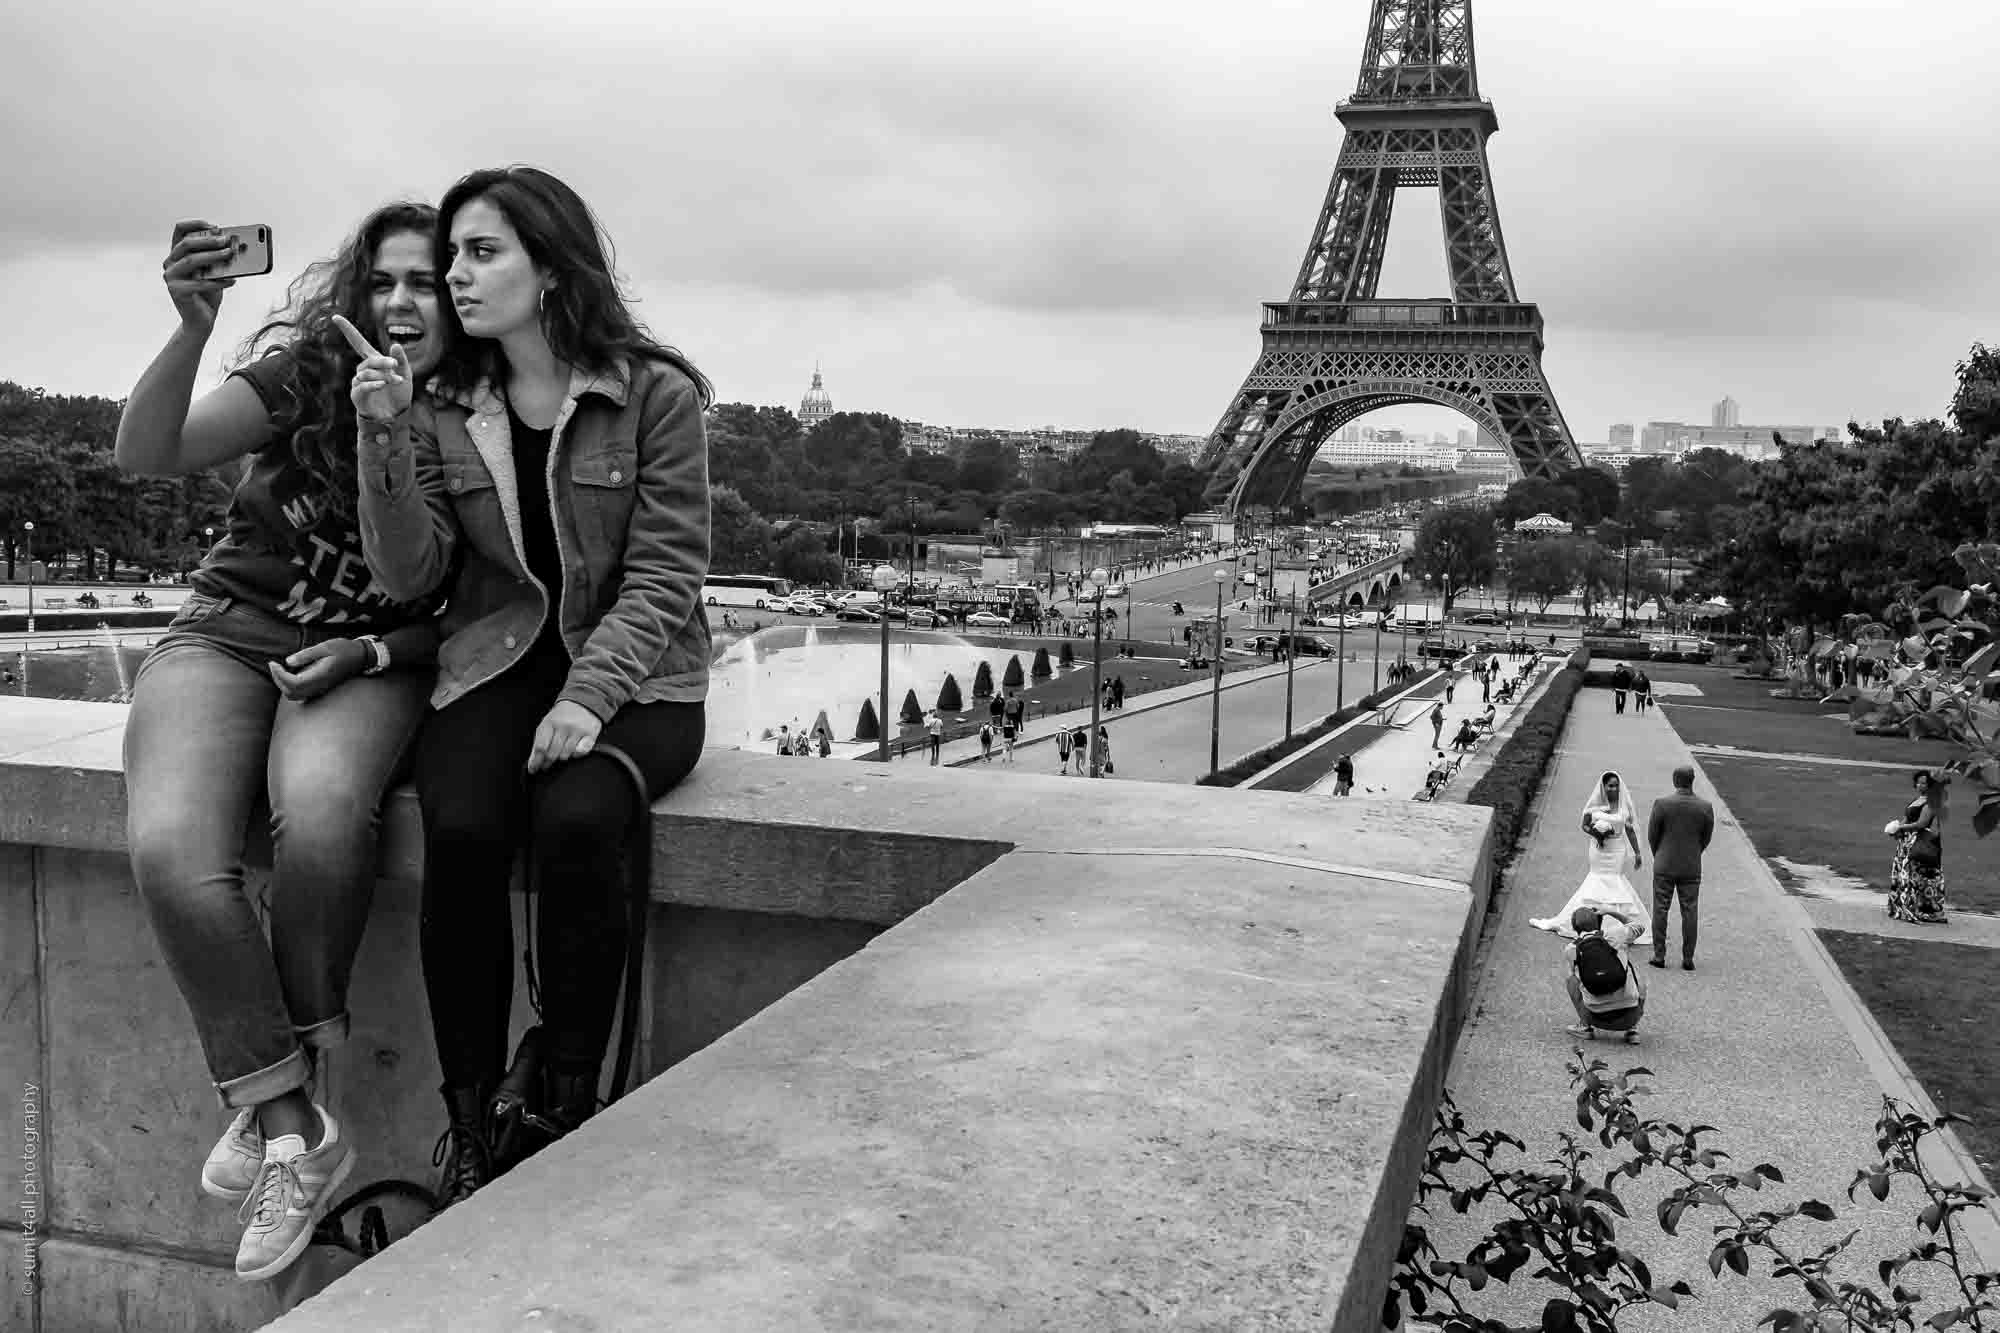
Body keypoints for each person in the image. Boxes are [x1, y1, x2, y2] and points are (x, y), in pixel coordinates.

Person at [350, 166, 712, 1209]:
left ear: (550, 267)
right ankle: (468, 1125)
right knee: (460, 830)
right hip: (503, 658)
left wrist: (588, 699)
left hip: (640, 677)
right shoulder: (439, 404)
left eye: (480, 252)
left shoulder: (654, 394)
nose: (454, 275)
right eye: (455, 253)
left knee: (577, 815)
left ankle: (560, 1099)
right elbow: (409, 577)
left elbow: (664, 573)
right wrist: (381, 434)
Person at [117, 206, 451, 1281]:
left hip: (366, 654)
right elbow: (145, 453)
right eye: (386, 280)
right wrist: (191, 325)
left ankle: (278, 1101)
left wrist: (387, 433)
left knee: (317, 817)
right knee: (173, 850)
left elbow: (446, 591)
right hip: (226, 632)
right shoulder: (308, 371)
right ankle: (290, 1120)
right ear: (356, 290)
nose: (403, 303)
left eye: (431, 282)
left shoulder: (483, 413)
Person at [1531, 771, 1650, 943]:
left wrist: (1638, 852)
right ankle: (1583, 922)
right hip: (1598, 850)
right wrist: (1596, 833)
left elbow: (1629, 829)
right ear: (1604, 786)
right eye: (1610, 785)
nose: (1614, 788)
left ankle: (1613, 928)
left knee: (1614, 880)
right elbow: (1584, 825)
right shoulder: (1595, 804)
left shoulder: (1624, 806)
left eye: (1616, 785)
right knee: (1596, 880)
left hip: (1616, 849)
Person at [1646, 764, 1715, 969]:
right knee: (1690, 911)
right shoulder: (1705, 807)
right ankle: (1688, 958)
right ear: (1692, 780)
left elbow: (1653, 836)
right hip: (1691, 866)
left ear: (1675, 780)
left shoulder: (1662, 804)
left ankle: (1659, 955)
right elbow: (1706, 838)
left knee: (1660, 909)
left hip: (1664, 863)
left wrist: (1659, 854)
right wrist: (1694, 852)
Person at [1562, 907, 1646, 1044]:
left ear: (1575, 928)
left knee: (1571, 979)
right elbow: (1639, 926)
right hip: (1630, 1016)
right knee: (1631, 970)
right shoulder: (1617, 935)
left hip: (1594, 1017)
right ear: (1598, 922)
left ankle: (1584, 1026)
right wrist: (1610, 911)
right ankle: (1632, 1030)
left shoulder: (1572, 949)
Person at [1885, 770, 1949, 924]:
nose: (1920, 785)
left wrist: (1902, 828)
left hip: (1919, 842)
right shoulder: (1918, 800)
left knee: (1917, 876)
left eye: (1924, 783)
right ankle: (1902, 906)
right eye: (1918, 782)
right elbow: (1907, 818)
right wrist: (1897, 829)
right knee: (1904, 875)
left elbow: (1922, 823)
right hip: (1907, 842)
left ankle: (1921, 909)